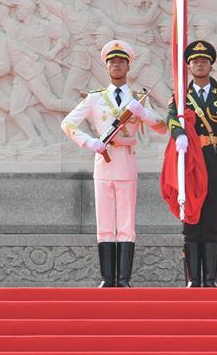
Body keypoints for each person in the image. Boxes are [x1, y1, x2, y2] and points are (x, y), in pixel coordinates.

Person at [62, 40, 167, 287]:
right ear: (106, 67)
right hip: (104, 162)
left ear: (128, 66)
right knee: (106, 221)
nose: (116, 65)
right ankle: (108, 279)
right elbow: (68, 123)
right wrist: (89, 142)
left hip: (127, 163)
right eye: (112, 62)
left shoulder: (138, 98)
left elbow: (162, 127)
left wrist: (143, 114)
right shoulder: (95, 98)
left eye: (120, 61)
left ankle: (124, 278)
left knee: (127, 223)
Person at [167, 40, 217, 287]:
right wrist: (179, 135)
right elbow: (171, 118)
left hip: (214, 162)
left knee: (211, 223)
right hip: (189, 163)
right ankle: (193, 280)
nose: (199, 64)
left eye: (204, 61)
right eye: (195, 61)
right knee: (191, 222)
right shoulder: (180, 97)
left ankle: (211, 280)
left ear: (210, 65)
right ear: (188, 66)